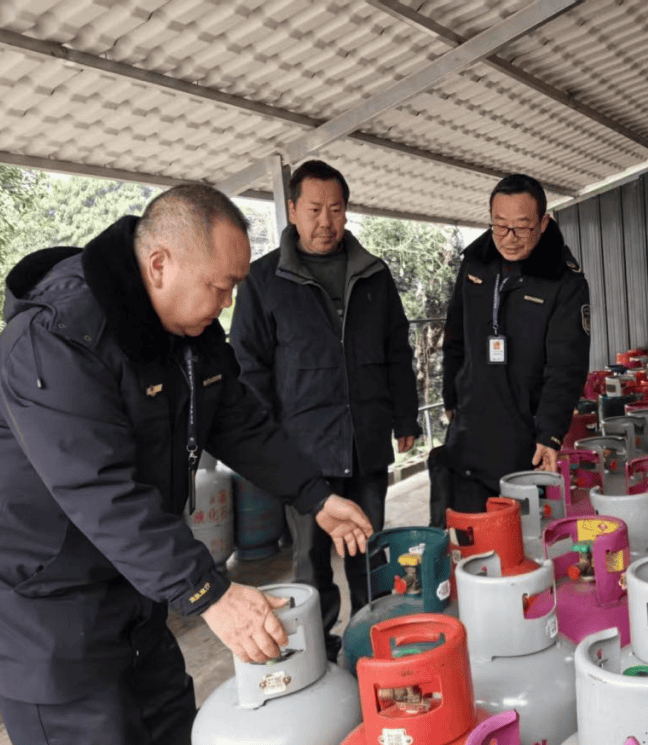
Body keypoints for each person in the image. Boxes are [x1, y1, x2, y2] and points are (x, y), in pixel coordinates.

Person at [0, 184, 373, 745]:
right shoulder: (58, 339)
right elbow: (100, 491)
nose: (226, 304)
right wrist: (209, 593)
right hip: (36, 604)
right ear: (160, 264)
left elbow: (238, 420)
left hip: (129, 581)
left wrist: (315, 496)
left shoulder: (189, 332)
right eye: (220, 286)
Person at [230, 160, 420, 661]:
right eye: (314, 210)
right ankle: (320, 649)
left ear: (346, 211)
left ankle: (371, 640)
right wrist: (266, 444)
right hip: (302, 452)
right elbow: (249, 368)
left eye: (335, 209)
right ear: (292, 210)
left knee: (369, 546)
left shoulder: (373, 274)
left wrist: (406, 415)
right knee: (311, 558)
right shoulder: (264, 279)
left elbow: (397, 350)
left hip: (366, 439)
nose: (325, 222)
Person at [439, 173, 591, 515]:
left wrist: (550, 434)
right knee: (466, 530)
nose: (508, 238)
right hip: (468, 430)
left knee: (519, 534)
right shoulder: (475, 263)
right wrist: (450, 394)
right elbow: (454, 337)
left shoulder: (564, 281)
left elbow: (566, 366)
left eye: (521, 227)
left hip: (523, 437)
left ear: (543, 223)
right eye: (499, 225)